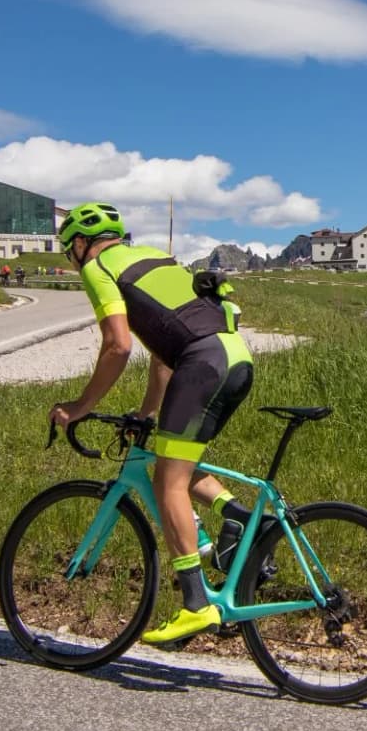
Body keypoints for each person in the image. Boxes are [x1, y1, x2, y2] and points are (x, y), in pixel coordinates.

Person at [48, 202, 253, 647]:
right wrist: (145, 413)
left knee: (167, 483)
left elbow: (118, 346)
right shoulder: (155, 260)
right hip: (235, 358)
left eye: (70, 250)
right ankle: (241, 518)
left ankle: (196, 606)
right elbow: (163, 355)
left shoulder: (99, 266)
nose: (72, 257)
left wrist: (80, 406)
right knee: (173, 459)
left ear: (80, 244)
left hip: (202, 365)